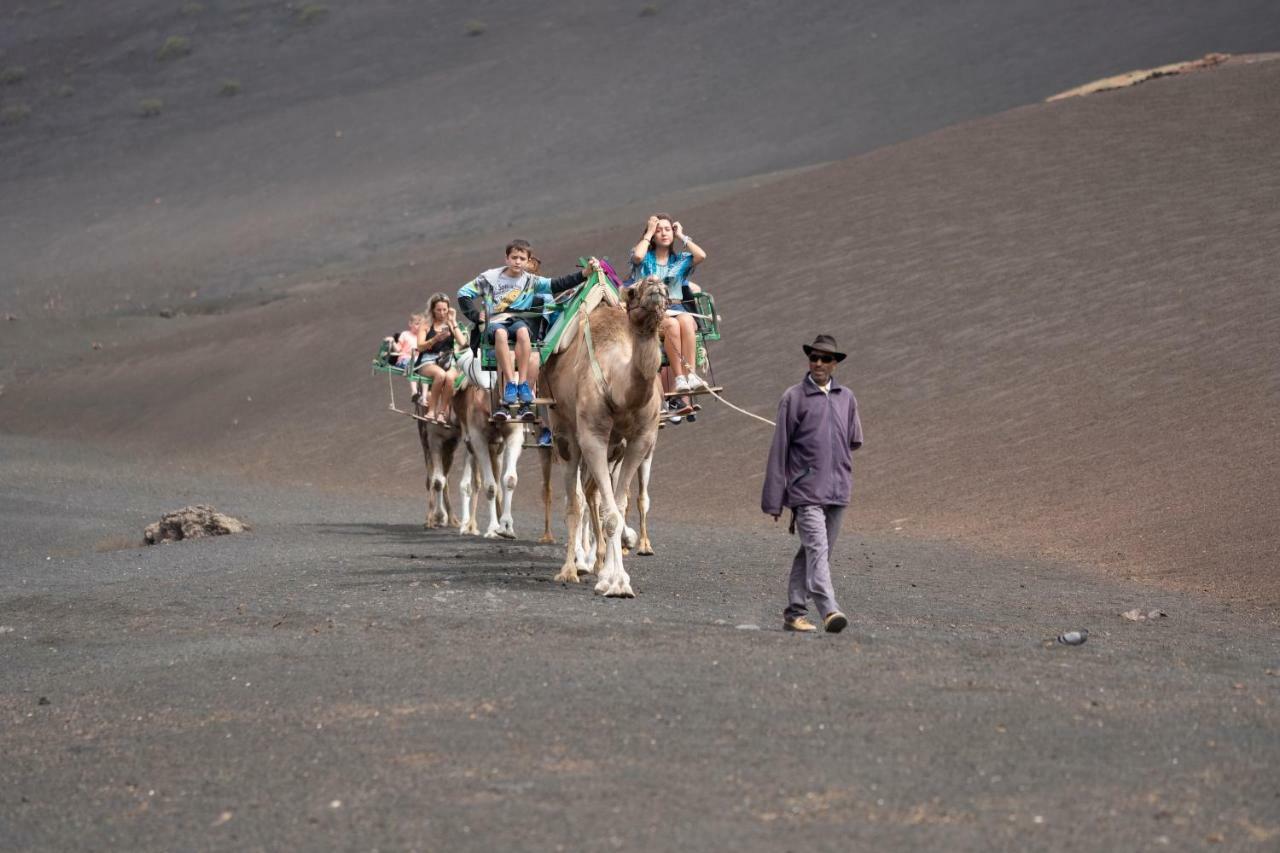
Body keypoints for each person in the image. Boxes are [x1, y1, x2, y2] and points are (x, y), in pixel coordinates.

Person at [760, 335, 863, 634]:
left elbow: (853, 439)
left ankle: (794, 613)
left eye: (825, 359)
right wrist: (774, 499)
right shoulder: (793, 398)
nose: (818, 363)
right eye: (813, 357)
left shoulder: (847, 398)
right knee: (817, 549)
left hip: (839, 490)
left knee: (815, 552)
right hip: (806, 493)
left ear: (835, 364)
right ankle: (830, 610)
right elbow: (779, 449)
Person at [458, 239, 599, 422]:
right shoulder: (490, 278)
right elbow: (463, 293)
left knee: (523, 333)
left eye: (522, 258)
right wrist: (475, 315)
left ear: (527, 261)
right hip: (496, 321)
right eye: (514, 257)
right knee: (500, 334)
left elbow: (558, 284)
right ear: (506, 258)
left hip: (519, 321)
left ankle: (523, 384)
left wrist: (584, 273)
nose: (517, 261)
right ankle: (510, 383)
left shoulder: (531, 281)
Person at [629, 213, 707, 419]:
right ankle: (679, 377)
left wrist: (682, 236)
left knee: (688, 320)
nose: (663, 233)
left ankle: (690, 375)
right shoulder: (645, 258)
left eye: (667, 229)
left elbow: (701, 256)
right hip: (651, 310)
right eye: (659, 230)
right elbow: (636, 256)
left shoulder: (679, 260)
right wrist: (648, 232)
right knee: (671, 326)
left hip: (677, 307)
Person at [415, 293, 466, 424]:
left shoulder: (451, 324)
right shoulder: (426, 325)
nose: (442, 313)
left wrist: (453, 322)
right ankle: (432, 410)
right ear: (432, 309)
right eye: (438, 310)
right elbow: (420, 347)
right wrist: (435, 339)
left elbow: (462, 342)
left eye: (445, 309)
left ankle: (442, 413)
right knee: (440, 375)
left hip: (449, 358)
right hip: (429, 359)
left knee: (449, 377)